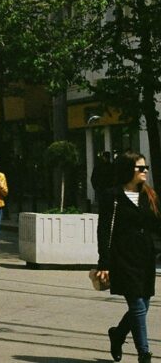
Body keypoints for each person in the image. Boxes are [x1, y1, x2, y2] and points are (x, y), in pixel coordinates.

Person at [95, 151, 160, 363]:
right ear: (127, 170)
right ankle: (144, 354)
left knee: (144, 305)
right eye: (140, 168)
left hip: (145, 256)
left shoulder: (149, 194)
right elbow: (104, 230)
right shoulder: (111, 195)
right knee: (138, 306)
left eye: (146, 167)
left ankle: (119, 334)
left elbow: (156, 225)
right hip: (123, 256)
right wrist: (103, 262)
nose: (145, 171)